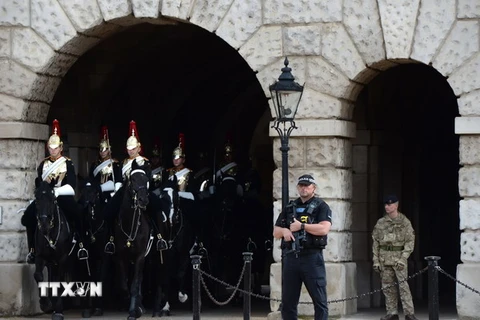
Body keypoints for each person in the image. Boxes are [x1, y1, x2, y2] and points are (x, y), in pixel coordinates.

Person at [21, 119, 88, 263]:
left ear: (61, 148)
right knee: (27, 217)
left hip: (61, 195)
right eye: (50, 147)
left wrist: (56, 192)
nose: (53, 150)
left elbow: (71, 185)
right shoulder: (42, 165)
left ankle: (81, 244)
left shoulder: (67, 163)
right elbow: (40, 184)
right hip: (46, 198)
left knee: (77, 213)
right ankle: (32, 249)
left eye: (55, 147)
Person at [273, 174, 332, 320]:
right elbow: (276, 231)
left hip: (312, 257)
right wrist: (285, 231)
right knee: (288, 303)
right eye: (301, 185)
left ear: (314, 188)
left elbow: (324, 229)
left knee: (320, 301)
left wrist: (302, 226)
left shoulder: (321, 206)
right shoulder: (290, 208)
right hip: (291, 257)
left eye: (307, 185)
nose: (304, 188)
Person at [103, 120, 166, 253]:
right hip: (125, 191)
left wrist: (142, 190)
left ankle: (160, 237)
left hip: (142, 190)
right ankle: (111, 240)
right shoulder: (123, 162)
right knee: (109, 210)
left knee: (157, 207)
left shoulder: (145, 162)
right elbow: (119, 179)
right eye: (128, 149)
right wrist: (117, 191)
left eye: (133, 149)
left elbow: (148, 180)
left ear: (139, 147)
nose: (130, 151)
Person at [372, 195, 418, 320]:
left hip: (399, 259)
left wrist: (403, 258)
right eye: (386, 204)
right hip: (384, 259)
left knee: (404, 287)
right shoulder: (381, 223)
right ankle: (392, 313)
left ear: (396, 205)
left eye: (390, 204)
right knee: (388, 287)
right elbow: (375, 243)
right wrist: (375, 260)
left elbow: (409, 242)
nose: (387, 207)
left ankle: (409, 313)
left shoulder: (404, 222)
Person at [87, 125, 122, 254]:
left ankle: (111, 239)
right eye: (101, 149)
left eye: (105, 149)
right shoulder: (94, 165)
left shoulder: (115, 164)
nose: (102, 152)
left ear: (109, 150)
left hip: (109, 194)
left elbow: (118, 180)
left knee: (113, 214)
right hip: (96, 194)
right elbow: (91, 179)